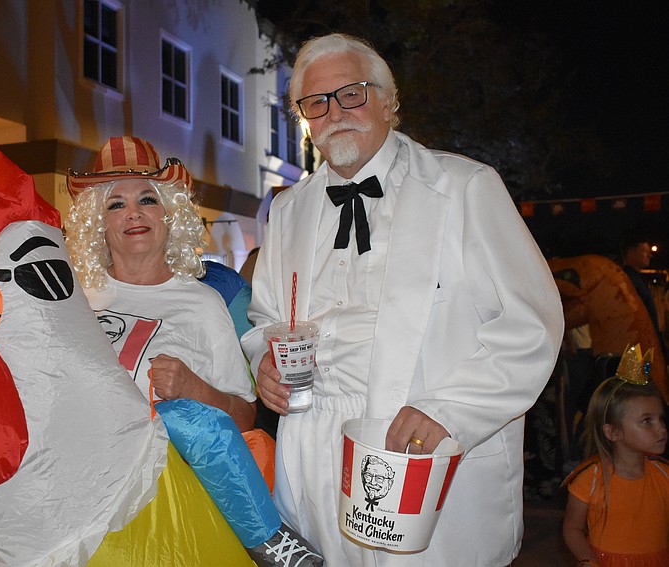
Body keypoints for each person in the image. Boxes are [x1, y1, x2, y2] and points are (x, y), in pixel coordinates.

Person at [241, 33, 564, 565]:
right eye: (316, 103)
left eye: (351, 94)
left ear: (388, 102)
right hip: (314, 449)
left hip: (422, 448)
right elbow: (266, 318)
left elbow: (531, 325)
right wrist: (265, 363)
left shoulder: (464, 187)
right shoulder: (286, 210)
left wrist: (450, 411)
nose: (335, 113)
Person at [65, 136, 256, 432]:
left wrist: (194, 388)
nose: (133, 213)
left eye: (147, 200)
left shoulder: (203, 304)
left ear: (169, 213)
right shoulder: (75, 298)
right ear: (99, 222)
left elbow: (245, 419)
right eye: (116, 205)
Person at [562, 345, 669, 566]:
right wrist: (587, 560)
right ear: (612, 432)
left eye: (661, 419)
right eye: (647, 421)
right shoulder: (589, 480)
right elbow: (572, 528)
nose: (661, 429)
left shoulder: (664, 474)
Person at [620, 235, 662, 339]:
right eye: (644, 251)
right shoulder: (627, 281)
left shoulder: (636, 280)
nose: (650, 255)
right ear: (631, 252)